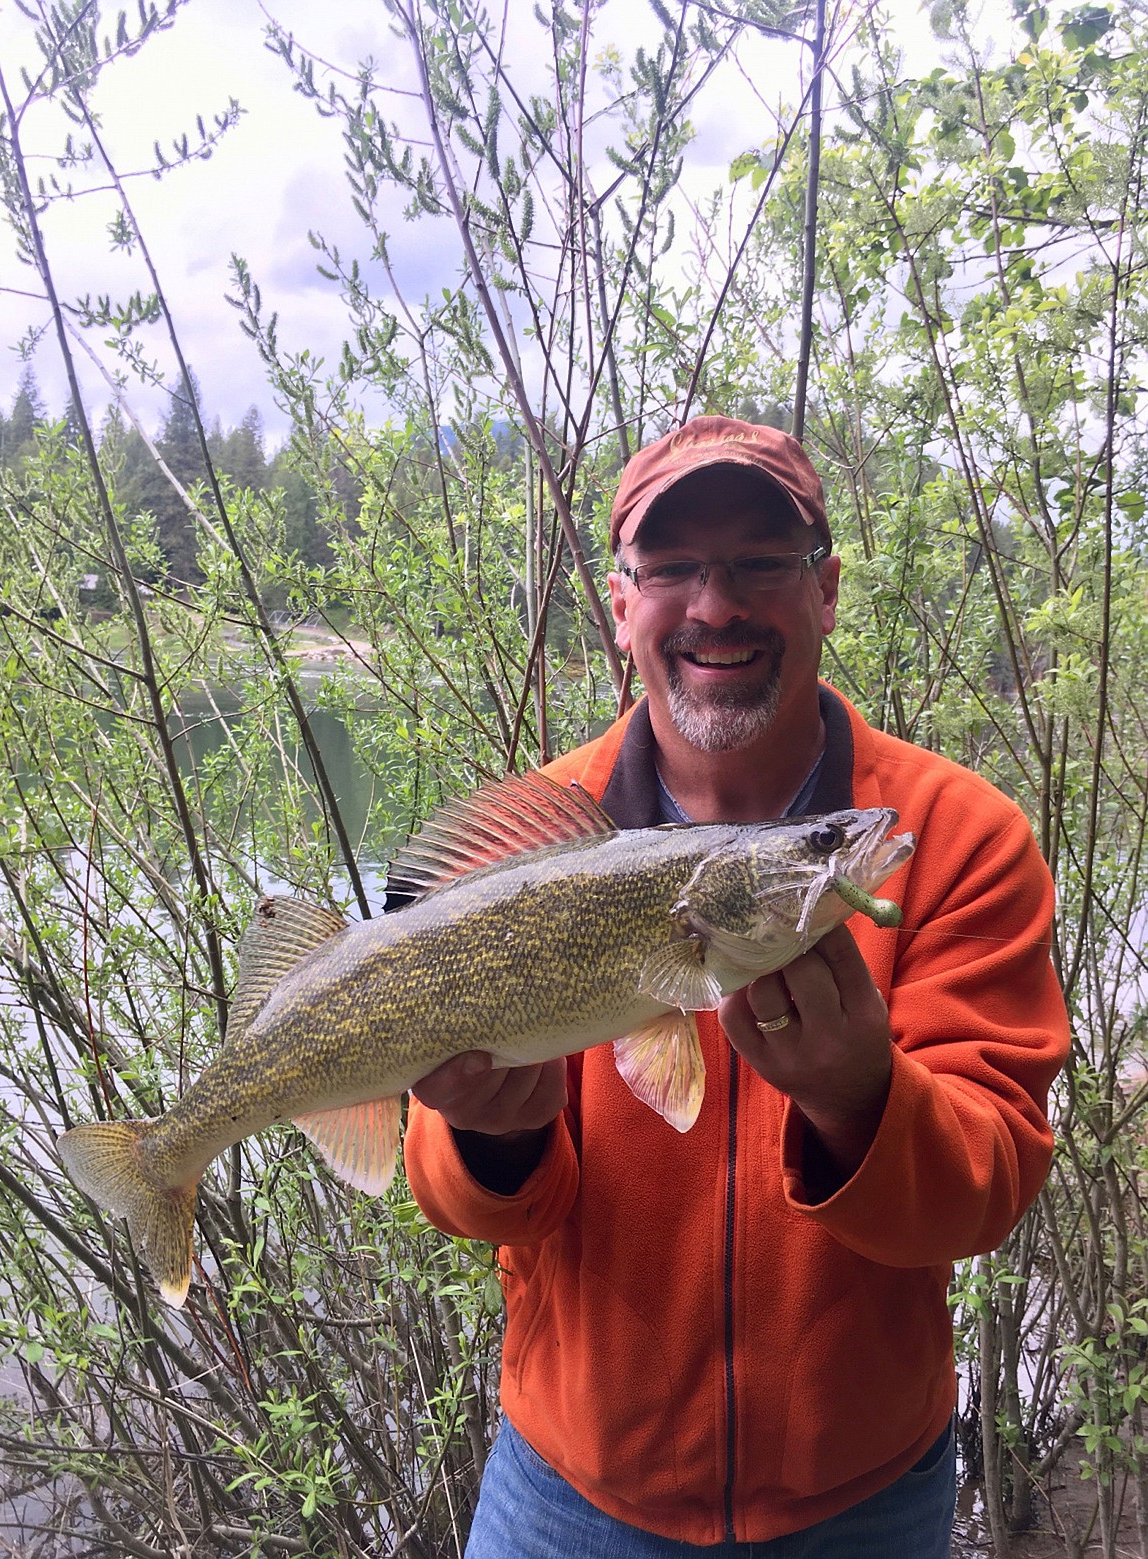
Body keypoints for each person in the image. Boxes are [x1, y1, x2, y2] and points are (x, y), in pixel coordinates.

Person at [402, 415, 1070, 1556]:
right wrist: (487, 1141)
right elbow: (455, 1196)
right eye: (674, 568)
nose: (718, 604)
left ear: (827, 590)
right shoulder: (524, 852)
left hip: (862, 1498)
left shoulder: (955, 837)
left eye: (762, 560)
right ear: (621, 609)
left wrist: (866, 1101)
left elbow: (990, 1188)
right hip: (569, 1493)